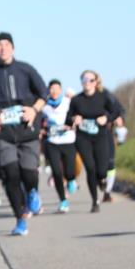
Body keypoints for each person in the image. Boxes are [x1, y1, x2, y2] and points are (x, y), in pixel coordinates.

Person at [0, 33, 48, 236]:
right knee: (10, 176)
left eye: (6, 44)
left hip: (28, 131)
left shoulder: (25, 69)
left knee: (29, 173)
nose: (3, 48)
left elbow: (44, 93)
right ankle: (20, 219)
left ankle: (33, 192)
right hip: (4, 134)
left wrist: (33, 110)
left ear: (13, 48)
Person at [66, 69, 120, 213]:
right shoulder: (77, 100)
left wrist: (106, 118)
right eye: (84, 80)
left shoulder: (103, 97)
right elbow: (68, 118)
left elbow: (117, 110)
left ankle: (102, 180)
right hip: (83, 138)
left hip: (101, 136)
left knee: (102, 170)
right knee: (90, 168)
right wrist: (74, 119)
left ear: (96, 82)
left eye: (90, 80)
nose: (87, 83)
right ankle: (95, 201)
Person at [40, 79, 78, 213]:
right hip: (52, 142)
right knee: (56, 172)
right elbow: (39, 121)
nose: (54, 91)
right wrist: (41, 129)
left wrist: (72, 123)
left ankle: (72, 179)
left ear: (61, 90)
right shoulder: (44, 106)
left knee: (69, 171)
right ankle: (63, 200)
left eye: (56, 88)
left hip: (68, 141)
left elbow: (77, 115)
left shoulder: (68, 103)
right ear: (48, 91)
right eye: (51, 89)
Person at [102, 85, 126, 203]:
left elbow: (120, 109)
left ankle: (108, 191)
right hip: (90, 138)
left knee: (110, 163)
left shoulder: (106, 95)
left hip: (106, 134)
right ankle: (101, 181)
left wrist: (119, 118)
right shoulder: (83, 98)